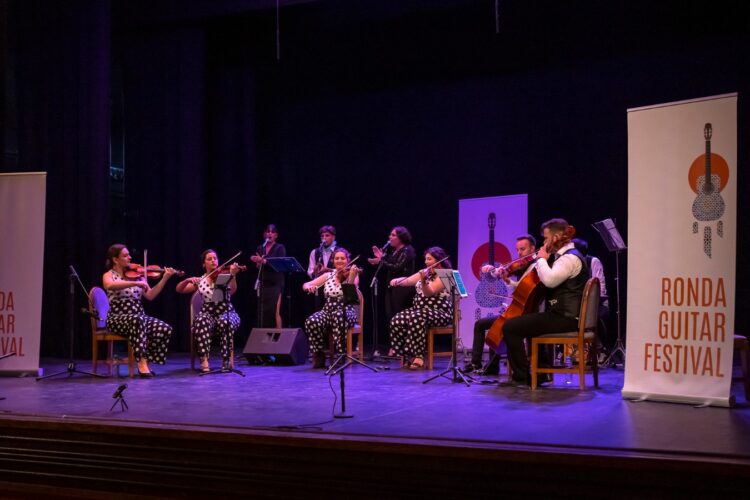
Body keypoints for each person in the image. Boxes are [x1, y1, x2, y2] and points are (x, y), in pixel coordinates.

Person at [501, 218, 590, 387]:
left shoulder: (568, 259)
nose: (544, 242)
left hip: (566, 318)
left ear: (556, 237)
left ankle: (521, 377)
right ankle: (541, 374)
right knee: (529, 323)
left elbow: (549, 281)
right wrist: (512, 283)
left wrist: (541, 259)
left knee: (510, 326)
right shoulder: (563, 257)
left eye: (547, 238)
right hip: (563, 315)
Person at [464, 234, 537, 375]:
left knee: (498, 324)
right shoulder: (524, 265)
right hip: (517, 309)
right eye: (518, 249)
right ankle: (476, 363)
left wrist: (507, 280)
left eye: (523, 249)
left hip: (526, 313)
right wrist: (494, 272)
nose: (519, 253)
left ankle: (492, 366)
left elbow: (525, 289)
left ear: (533, 248)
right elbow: (517, 286)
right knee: (481, 324)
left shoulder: (536, 266)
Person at [101, 244, 176, 378]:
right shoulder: (109, 275)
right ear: (115, 259)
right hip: (117, 317)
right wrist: (134, 283)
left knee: (164, 328)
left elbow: (150, 295)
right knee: (138, 320)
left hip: (138, 317)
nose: (130, 257)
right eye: (125, 255)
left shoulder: (138, 275)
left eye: (129, 254)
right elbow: (109, 285)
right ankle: (141, 363)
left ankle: (146, 360)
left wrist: (164, 278)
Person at [176, 250, 243, 373]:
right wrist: (187, 280)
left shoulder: (224, 276)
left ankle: (226, 360)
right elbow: (180, 289)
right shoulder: (201, 280)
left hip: (226, 311)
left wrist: (233, 275)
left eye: (215, 258)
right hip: (208, 313)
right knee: (201, 321)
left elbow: (232, 290)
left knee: (225, 321)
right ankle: (204, 360)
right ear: (203, 264)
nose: (213, 260)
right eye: (209, 259)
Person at [388, 247, 453, 370]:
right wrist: (398, 280)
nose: (426, 262)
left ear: (438, 260)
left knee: (417, 317)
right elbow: (408, 281)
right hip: (420, 311)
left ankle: (419, 356)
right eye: (425, 259)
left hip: (440, 312)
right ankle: (408, 354)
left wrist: (423, 281)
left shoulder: (446, 275)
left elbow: (429, 292)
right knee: (397, 319)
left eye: (429, 259)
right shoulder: (425, 272)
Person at [302, 248, 361, 369]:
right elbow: (306, 284)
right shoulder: (328, 275)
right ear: (333, 261)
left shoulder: (353, 274)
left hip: (346, 310)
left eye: (342, 258)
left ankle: (341, 354)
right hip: (327, 310)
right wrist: (308, 287)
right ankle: (319, 354)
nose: (339, 261)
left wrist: (351, 276)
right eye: (337, 258)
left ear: (347, 260)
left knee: (339, 316)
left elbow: (351, 289)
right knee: (312, 320)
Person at [368, 226, 416, 351]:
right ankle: (394, 346)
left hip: (403, 289)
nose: (390, 237)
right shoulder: (394, 252)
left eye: (393, 235)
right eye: (390, 234)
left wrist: (382, 259)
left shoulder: (408, 250)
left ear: (401, 237)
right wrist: (380, 260)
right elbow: (389, 266)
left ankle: (403, 347)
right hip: (391, 288)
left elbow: (396, 267)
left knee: (399, 317)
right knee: (390, 316)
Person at [572, 238, 610, 361]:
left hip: (598, 304)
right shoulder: (571, 266)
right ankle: (574, 351)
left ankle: (600, 349)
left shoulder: (593, 262)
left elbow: (600, 287)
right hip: (578, 304)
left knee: (591, 317)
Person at [250, 224, 285, 328]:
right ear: (264, 234)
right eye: (268, 231)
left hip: (275, 283)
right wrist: (257, 261)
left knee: (275, 311)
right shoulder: (261, 248)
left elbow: (279, 263)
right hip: (263, 282)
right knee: (263, 311)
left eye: (272, 232)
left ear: (276, 235)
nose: (269, 233)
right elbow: (259, 266)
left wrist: (264, 261)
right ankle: (265, 337)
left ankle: (279, 338)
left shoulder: (280, 247)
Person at [307, 225, 338, 312]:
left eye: (327, 235)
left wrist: (328, 270)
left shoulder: (339, 251)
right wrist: (315, 272)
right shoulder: (315, 252)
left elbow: (343, 270)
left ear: (333, 237)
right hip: (319, 289)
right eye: (322, 236)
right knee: (319, 313)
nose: (324, 238)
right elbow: (310, 271)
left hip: (335, 289)